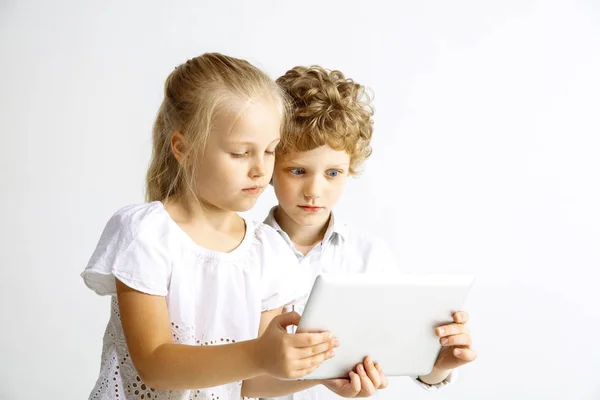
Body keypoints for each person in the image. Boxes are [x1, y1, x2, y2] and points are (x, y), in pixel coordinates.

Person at [261, 65, 478, 399]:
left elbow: (397, 351)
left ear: (351, 169)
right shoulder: (240, 251)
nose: (314, 191)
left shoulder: (368, 257)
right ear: (270, 164)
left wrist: (438, 365)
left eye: (333, 173)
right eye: (298, 170)